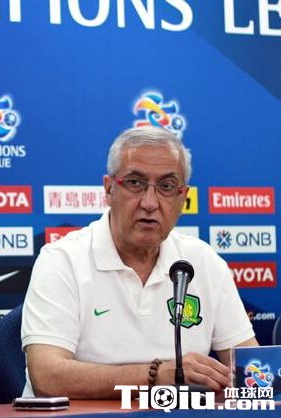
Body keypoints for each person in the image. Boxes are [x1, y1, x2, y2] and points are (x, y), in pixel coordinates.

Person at [21, 126, 257, 399]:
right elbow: (47, 376)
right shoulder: (62, 260)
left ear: (182, 197)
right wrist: (156, 376)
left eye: (166, 187)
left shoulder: (204, 262)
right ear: (109, 189)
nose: (150, 202)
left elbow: (252, 368)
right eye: (135, 183)